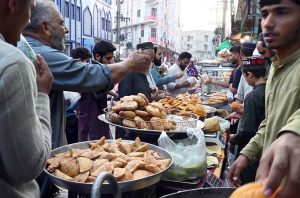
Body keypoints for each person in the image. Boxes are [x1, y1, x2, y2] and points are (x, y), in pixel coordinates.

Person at [22, 1, 151, 197]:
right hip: (32, 163)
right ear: (45, 27)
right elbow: (90, 76)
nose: (66, 29)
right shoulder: (38, 54)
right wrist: (129, 64)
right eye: (61, 23)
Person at [227, 1, 300, 197]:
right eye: (265, 14)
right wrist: (246, 154)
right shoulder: (276, 69)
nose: (267, 23)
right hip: (267, 184)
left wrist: (294, 134)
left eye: (282, 12)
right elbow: (269, 122)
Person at [0, 0, 53, 197]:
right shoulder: (13, 63)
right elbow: (27, 166)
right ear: (12, 5)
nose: (28, 19)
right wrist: (41, 95)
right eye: (30, 10)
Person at [229, 56, 267, 184]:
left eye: (244, 77)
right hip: (263, 147)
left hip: (250, 151)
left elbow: (248, 131)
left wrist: (232, 138)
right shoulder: (269, 90)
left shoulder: (252, 97)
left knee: (246, 185)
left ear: (249, 75)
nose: (245, 80)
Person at [78, 40, 118, 141]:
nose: (111, 62)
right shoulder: (92, 71)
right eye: (108, 58)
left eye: (112, 58)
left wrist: (115, 95)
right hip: (90, 119)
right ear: (97, 57)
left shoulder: (99, 69)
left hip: (99, 115)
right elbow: (98, 91)